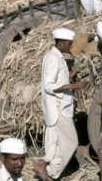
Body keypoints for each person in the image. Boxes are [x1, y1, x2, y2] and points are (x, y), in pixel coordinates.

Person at [34, 28, 87, 181]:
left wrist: (70, 76)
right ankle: (48, 170)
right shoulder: (53, 59)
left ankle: (45, 168)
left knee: (56, 141)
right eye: (69, 44)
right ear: (61, 43)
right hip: (58, 107)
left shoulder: (54, 56)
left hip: (59, 106)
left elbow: (57, 80)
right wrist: (74, 86)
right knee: (71, 142)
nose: (71, 47)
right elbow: (49, 86)